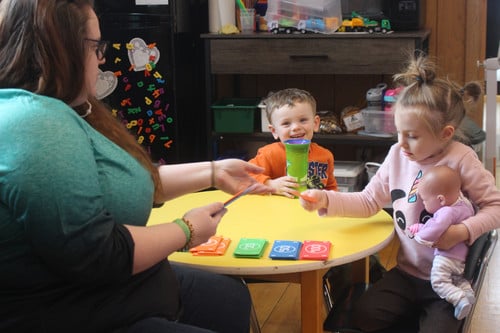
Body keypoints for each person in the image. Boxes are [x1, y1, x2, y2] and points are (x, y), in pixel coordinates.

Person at [0, 1, 271, 332]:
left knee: (230, 298)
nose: (101, 57)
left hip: (119, 290)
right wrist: (186, 230)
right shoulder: (37, 125)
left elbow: (120, 181)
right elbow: (99, 254)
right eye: (96, 46)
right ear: (63, 47)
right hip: (67, 309)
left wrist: (214, 172)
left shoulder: (65, 109)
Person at [299, 52, 500, 332]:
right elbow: (369, 200)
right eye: (399, 132)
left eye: (413, 136)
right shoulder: (397, 154)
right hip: (407, 274)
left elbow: (495, 208)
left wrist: (462, 231)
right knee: (364, 315)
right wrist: (327, 199)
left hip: (448, 279)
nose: (402, 143)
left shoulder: (462, 159)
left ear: (445, 133)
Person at [407, 165, 475, 320]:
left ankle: (459, 299)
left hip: (446, 257)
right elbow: (436, 224)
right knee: (457, 279)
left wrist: (420, 235)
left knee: (439, 281)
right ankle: (467, 292)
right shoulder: (464, 206)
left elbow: (435, 229)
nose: (423, 204)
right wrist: (418, 226)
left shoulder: (446, 212)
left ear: (440, 199)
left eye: (424, 200)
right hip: (461, 258)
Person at [249, 88, 338, 198]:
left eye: (303, 120)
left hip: (312, 212)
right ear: (274, 131)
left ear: (315, 123)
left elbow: (331, 189)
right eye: (286, 123)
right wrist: (270, 185)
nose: (296, 127)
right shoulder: (268, 155)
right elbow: (245, 177)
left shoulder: (325, 156)